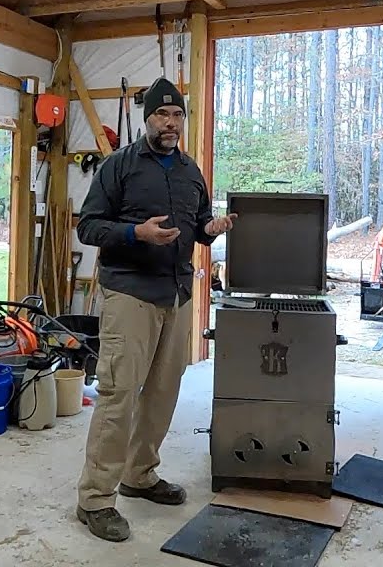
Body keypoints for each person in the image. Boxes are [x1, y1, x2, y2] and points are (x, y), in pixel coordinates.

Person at [74, 77, 236, 542]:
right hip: (129, 293)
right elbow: (88, 227)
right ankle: (95, 498)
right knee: (118, 392)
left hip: (176, 293)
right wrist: (134, 234)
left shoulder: (190, 170)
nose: (171, 123)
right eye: (162, 115)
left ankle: (140, 474)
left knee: (163, 391)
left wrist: (212, 227)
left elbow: (199, 227)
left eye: (178, 115)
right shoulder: (119, 166)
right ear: (147, 119)